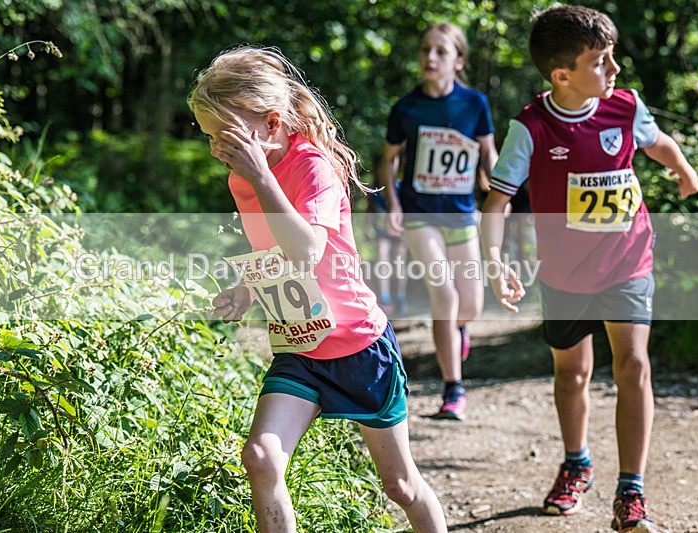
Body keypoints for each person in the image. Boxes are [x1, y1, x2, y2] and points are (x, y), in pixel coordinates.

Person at [188, 46, 448, 533]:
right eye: (209, 137)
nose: (216, 149)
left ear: (271, 123)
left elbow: (307, 250)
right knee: (261, 457)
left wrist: (262, 178)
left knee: (400, 486)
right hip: (301, 347)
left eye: (224, 135)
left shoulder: (313, 168)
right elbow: (275, 252)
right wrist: (247, 290)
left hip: (359, 347)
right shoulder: (242, 179)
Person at [480, 6, 698, 533]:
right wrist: (494, 261)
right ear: (562, 74)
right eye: (601, 61)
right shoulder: (531, 127)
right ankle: (577, 463)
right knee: (572, 373)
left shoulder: (625, 107)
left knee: (634, 365)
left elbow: (658, 143)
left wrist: (683, 169)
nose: (614, 68)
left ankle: (632, 491)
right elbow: (498, 202)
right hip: (564, 275)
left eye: (612, 56)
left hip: (628, 260)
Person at [380, 22, 498, 420]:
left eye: (441, 51)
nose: (430, 57)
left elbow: (488, 153)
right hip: (419, 214)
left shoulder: (475, 103)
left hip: (461, 213)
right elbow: (389, 160)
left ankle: (457, 330)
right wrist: (393, 203)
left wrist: (499, 191)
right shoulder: (406, 107)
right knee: (444, 295)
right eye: (425, 49)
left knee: (471, 306)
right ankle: (453, 389)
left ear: (458, 60)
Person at [367, 166, 409, 315]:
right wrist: (367, 228)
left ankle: (400, 297)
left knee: (400, 263)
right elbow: (370, 209)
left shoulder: (400, 186)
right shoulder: (374, 188)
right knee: (382, 257)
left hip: (399, 230)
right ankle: (385, 298)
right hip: (382, 230)